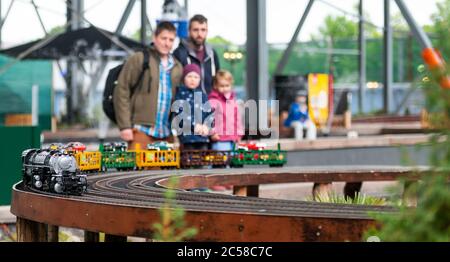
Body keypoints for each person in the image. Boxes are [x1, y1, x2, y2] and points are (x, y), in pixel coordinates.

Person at [113, 21, 183, 149]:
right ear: (155, 38)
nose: (167, 43)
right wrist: (125, 126)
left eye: (171, 40)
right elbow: (122, 90)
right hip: (141, 130)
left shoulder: (178, 67)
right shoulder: (140, 59)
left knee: (167, 168)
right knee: (139, 167)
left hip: (166, 132)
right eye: (163, 38)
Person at [173, 14, 220, 95]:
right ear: (189, 31)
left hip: (210, 103)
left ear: (207, 31)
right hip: (188, 103)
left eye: (203, 30)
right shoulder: (179, 53)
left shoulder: (212, 54)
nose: (199, 34)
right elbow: (175, 82)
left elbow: (218, 80)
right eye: (195, 30)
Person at [173, 64, 212, 150]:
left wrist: (206, 126)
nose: (192, 79)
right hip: (187, 138)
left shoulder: (202, 95)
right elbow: (180, 115)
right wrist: (194, 125)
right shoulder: (180, 94)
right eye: (189, 76)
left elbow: (209, 114)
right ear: (184, 78)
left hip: (202, 137)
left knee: (202, 160)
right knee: (188, 160)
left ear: (199, 79)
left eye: (196, 77)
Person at [208, 70, 243, 151]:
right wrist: (212, 133)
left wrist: (239, 134)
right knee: (222, 161)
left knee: (232, 161)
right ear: (216, 86)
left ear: (231, 85)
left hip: (233, 138)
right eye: (222, 86)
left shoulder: (232, 101)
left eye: (227, 86)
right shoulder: (213, 101)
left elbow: (237, 119)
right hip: (220, 139)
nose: (225, 88)